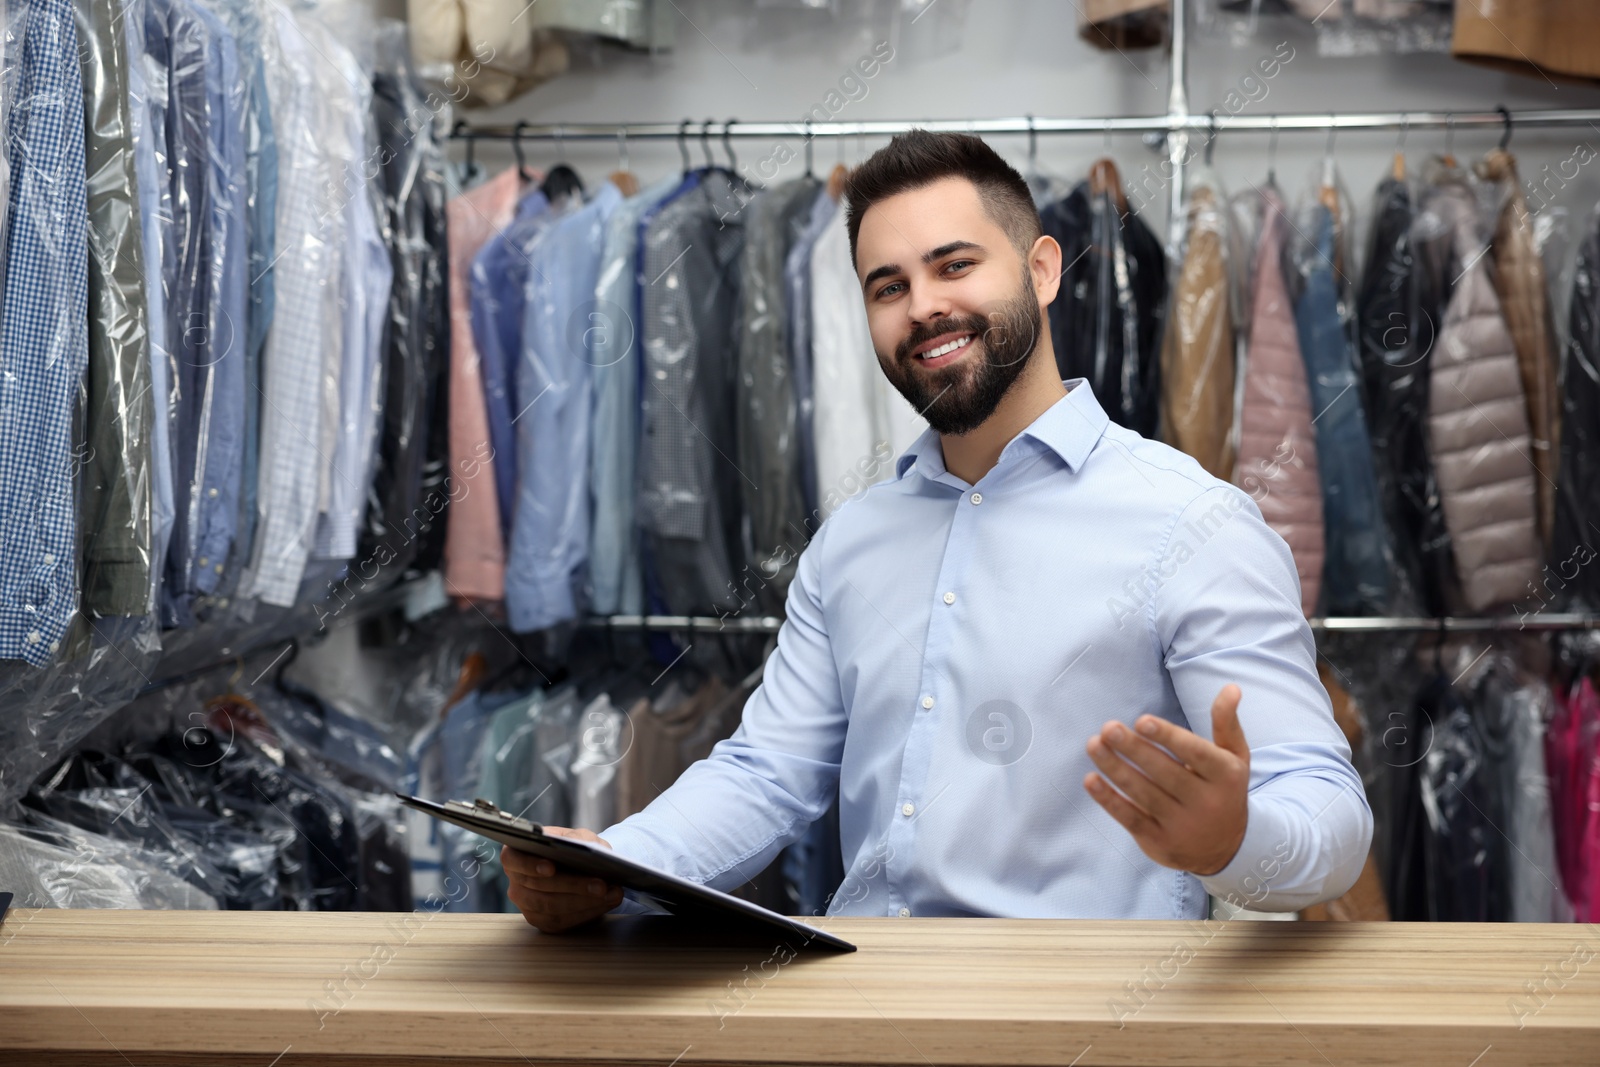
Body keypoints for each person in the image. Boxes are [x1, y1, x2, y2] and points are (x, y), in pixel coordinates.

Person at [503, 129, 1372, 934]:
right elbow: (765, 775)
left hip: (1081, 1033)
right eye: (889, 287)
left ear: (1041, 270)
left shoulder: (1195, 523)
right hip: (863, 1015)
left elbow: (1330, 817)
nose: (923, 307)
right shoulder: (849, 543)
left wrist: (1233, 839)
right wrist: (609, 860)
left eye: (954, 266)